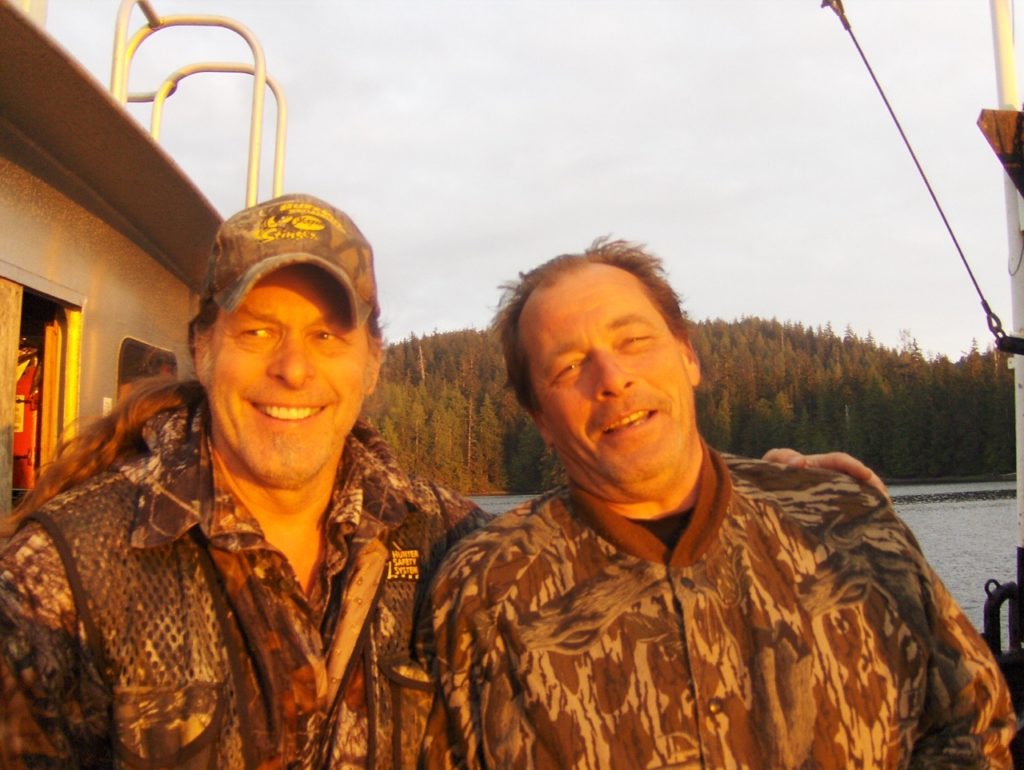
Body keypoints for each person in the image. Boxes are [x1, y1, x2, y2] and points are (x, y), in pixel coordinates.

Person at [423, 238, 1015, 769]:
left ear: (688, 357)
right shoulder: (484, 593)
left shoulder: (847, 521)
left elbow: (974, 726)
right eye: (569, 365)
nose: (612, 377)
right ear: (539, 420)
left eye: (634, 341)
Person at [0, 194, 490, 768]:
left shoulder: (454, 546)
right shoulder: (63, 571)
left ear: (372, 361)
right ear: (203, 348)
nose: (293, 368)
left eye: (326, 336)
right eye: (258, 332)